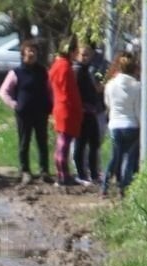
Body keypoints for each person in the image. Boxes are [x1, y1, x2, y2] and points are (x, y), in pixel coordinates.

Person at [0, 39, 52, 185]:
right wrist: (14, 104)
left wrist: (50, 105)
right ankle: (25, 171)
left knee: (42, 142)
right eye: (29, 51)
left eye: (34, 51)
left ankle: (44, 171)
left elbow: (50, 90)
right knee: (24, 142)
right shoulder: (16, 73)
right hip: (24, 113)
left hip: (41, 112)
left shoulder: (43, 72)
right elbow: (3, 92)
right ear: (23, 54)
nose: (32, 53)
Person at [102, 52, 141, 198]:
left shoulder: (110, 85)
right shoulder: (137, 86)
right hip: (131, 125)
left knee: (115, 157)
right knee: (129, 158)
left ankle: (105, 185)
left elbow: (108, 104)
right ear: (134, 68)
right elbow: (138, 109)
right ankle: (123, 188)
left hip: (115, 125)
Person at [47, 35, 83, 187]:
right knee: (64, 142)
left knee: (62, 141)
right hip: (66, 108)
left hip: (59, 106)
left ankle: (62, 173)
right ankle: (63, 174)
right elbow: (69, 92)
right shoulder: (65, 67)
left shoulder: (56, 65)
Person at [73, 43, 104, 184]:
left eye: (88, 54)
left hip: (92, 111)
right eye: (82, 54)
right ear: (76, 55)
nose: (85, 57)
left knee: (94, 143)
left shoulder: (88, 71)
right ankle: (81, 174)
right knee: (80, 144)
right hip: (81, 113)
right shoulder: (77, 71)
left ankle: (94, 173)